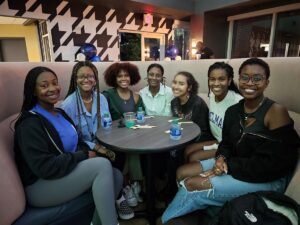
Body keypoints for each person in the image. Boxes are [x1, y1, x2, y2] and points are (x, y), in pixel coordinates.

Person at [161, 58, 300, 223]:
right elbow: (226, 143)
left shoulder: (276, 112)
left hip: (267, 179)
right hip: (236, 164)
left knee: (192, 184)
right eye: (245, 77)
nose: (250, 83)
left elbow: (275, 164)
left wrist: (228, 167)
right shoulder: (234, 111)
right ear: (238, 80)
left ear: (266, 82)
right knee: (182, 172)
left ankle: (167, 219)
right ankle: (203, 212)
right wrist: (221, 158)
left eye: (257, 79)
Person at [14, 66, 124, 225]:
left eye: (54, 83)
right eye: (44, 86)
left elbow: (78, 141)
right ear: (33, 91)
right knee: (101, 165)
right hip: (41, 186)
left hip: (65, 171)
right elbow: (44, 167)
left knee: (116, 176)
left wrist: (92, 150)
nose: (52, 88)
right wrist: (84, 155)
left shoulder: (59, 113)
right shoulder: (29, 124)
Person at [60, 61, 134, 220]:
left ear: (95, 79)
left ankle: (115, 194)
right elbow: (74, 139)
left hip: (103, 142)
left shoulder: (101, 98)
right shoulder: (68, 105)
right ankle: (119, 197)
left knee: (120, 152)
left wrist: (112, 140)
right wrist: (97, 147)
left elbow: (106, 125)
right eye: (82, 77)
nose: (86, 80)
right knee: (105, 159)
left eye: (90, 76)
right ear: (75, 79)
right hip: (82, 147)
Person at [180, 62, 242, 165]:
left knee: (193, 157)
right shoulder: (212, 94)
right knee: (186, 150)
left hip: (229, 147)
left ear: (229, 81)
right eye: (212, 79)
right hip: (217, 140)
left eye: (221, 79)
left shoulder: (238, 102)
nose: (216, 83)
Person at [103, 62, 144, 205]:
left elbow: (142, 117)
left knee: (136, 146)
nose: (123, 78)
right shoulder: (107, 95)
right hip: (114, 137)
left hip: (134, 135)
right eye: (119, 76)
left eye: (126, 75)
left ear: (132, 77)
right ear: (113, 79)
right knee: (130, 148)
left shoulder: (137, 96)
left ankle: (132, 185)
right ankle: (129, 185)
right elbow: (103, 118)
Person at [171, 71, 213, 142]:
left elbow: (203, 132)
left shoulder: (197, 104)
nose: (176, 87)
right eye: (174, 82)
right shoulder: (174, 102)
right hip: (181, 137)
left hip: (199, 139)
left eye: (181, 84)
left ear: (189, 87)